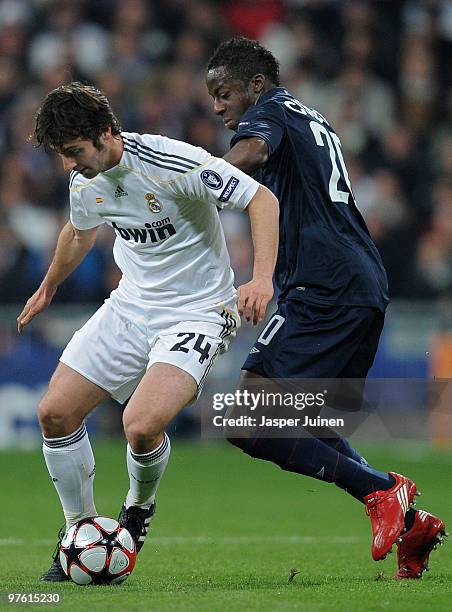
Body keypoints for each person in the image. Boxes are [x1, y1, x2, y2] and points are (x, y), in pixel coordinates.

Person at [17, 82, 279, 581]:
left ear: (105, 133)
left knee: (139, 424)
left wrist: (261, 277)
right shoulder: (85, 179)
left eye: (74, 153)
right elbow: (78, 231)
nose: (69, 166)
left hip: (199, 311)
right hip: (131, 308)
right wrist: (48, 287)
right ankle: (81, 530)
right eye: (62, 156)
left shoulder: (173, 162)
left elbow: (261, 200)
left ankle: (137, 509)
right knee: (54, 413)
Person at [206, 37, 447, 579]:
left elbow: (253, 154)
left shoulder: (269, 114)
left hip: (324, 283)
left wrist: (196, 179)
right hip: (356, 280)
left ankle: (383, 491)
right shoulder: (308, 115)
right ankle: (410, 522)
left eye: (224, 94)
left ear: (256, 87)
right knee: (300, 419)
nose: (218, 107)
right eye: (212, 97)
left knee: (246, 419)